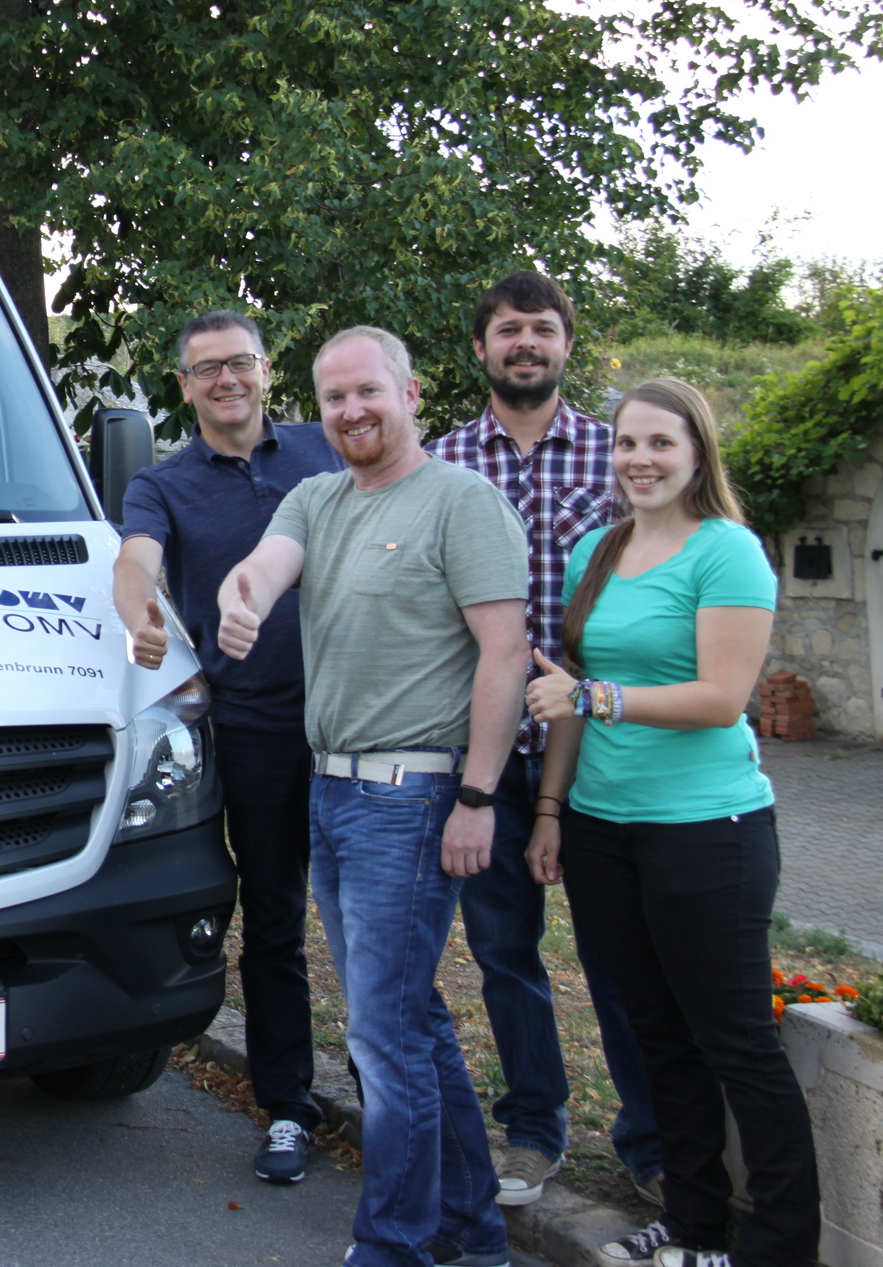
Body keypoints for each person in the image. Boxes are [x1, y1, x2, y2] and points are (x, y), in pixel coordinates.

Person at [216, 327, 530, 1267]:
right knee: (410, 1022)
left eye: (367, 392)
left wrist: (478, 795)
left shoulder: (461, 502)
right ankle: (470, 1229)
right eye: (333, 397)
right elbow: (266, 565)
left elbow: (505, 654)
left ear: (410, 392)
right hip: (333, 792)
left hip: (415, 797)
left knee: (384, 1037)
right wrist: (240, 596)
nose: (350, 411)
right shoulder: (316, 498)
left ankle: (393, 1242)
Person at [525, 379, 818, 1267]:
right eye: (627, 443)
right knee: (657, 1033)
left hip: (707, 829)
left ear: (698, 452)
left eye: (661, 443)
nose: (640, 460)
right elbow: (567, 697)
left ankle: (778, 1246)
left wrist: (595, 695)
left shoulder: (728, 551)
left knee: (735, 1042)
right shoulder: (598, 550)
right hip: (603, 831)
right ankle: (693, 1225)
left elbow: (721, 696)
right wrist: (551, 809)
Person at [427, 271, 663, 1207]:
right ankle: (533, 1127)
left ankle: (651, 1142)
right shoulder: (441, 464)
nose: (525, 342)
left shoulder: (620, 458)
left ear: (567, 342)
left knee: (619, 952)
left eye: (542, 328)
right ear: (480, 348)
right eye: (508, 329)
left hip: (598, 747)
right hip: (483, 752)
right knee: (504, 951)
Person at [113, 310, 342, 1184]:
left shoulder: (325, 448)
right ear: (184, 385)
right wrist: (139, 616)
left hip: (360, 722)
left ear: (265, 368)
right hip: (255, 729)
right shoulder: (163, 484)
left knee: (373, 922)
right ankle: (288, 1108)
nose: (226, 380)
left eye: (239, 362)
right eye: (206, 369)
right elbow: (136, 562)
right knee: (276, 917)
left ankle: (399, 1107)